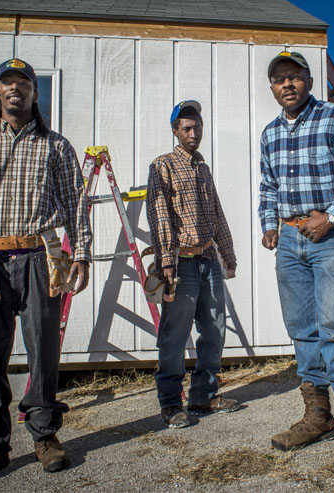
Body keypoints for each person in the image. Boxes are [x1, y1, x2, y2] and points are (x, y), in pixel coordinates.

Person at [0, 58, 92, 486]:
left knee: (44, 349)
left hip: (40, 257)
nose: (15, 90)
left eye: (23, 83)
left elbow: (76, 205)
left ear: (34, 93)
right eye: (7, 83)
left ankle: (45, 437)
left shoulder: (56, 146)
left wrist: (81, 254)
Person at [258, 51, 334, 472]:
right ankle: (318, 416)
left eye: (294, 76)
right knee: (301, 329)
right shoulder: (270, 133)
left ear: (309, 81)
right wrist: (270, 224)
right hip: (290, 239)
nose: (287, 84)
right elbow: (268, 184)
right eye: (279, 79)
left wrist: (330, 217)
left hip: (330, 236)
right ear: (272, 87)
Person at [146, 100, 239, 429]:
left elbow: (216, 212)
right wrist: (166, 262)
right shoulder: (163, 165)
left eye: (197, 126)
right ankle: (171, 404)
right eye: (186, 127)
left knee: (214, 329)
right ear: (175, 131)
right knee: (174, 335)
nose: (193, 132)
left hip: (208, 259)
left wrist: (228, 255)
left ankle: (203, 395)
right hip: (180, 264)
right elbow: (158, 216)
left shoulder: (203, 167)